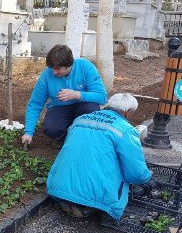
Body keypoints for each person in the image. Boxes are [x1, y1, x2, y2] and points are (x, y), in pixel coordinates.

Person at [46, 93, 152, 221]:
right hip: (94, 196)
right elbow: (135, 174)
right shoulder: (126, 130)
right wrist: (147, 176)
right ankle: (85, 205)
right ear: (128, 112)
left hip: (57, 187)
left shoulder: (80, 120)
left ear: (108, 105)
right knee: (123, 164)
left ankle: (72, 200)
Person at [21, 44, 107, 148]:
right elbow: (35, 103)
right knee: (51, 129)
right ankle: (65, 137)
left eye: (58, 69)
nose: (54, 72)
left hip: (83, 106)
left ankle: (84, 139)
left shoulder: (86, 67)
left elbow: (102, 97)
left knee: (91, 109)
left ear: (69, 64)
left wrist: (77, 95)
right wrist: (28, 132)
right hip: (59, 107)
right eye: (52, 68)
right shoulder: (47, 75)